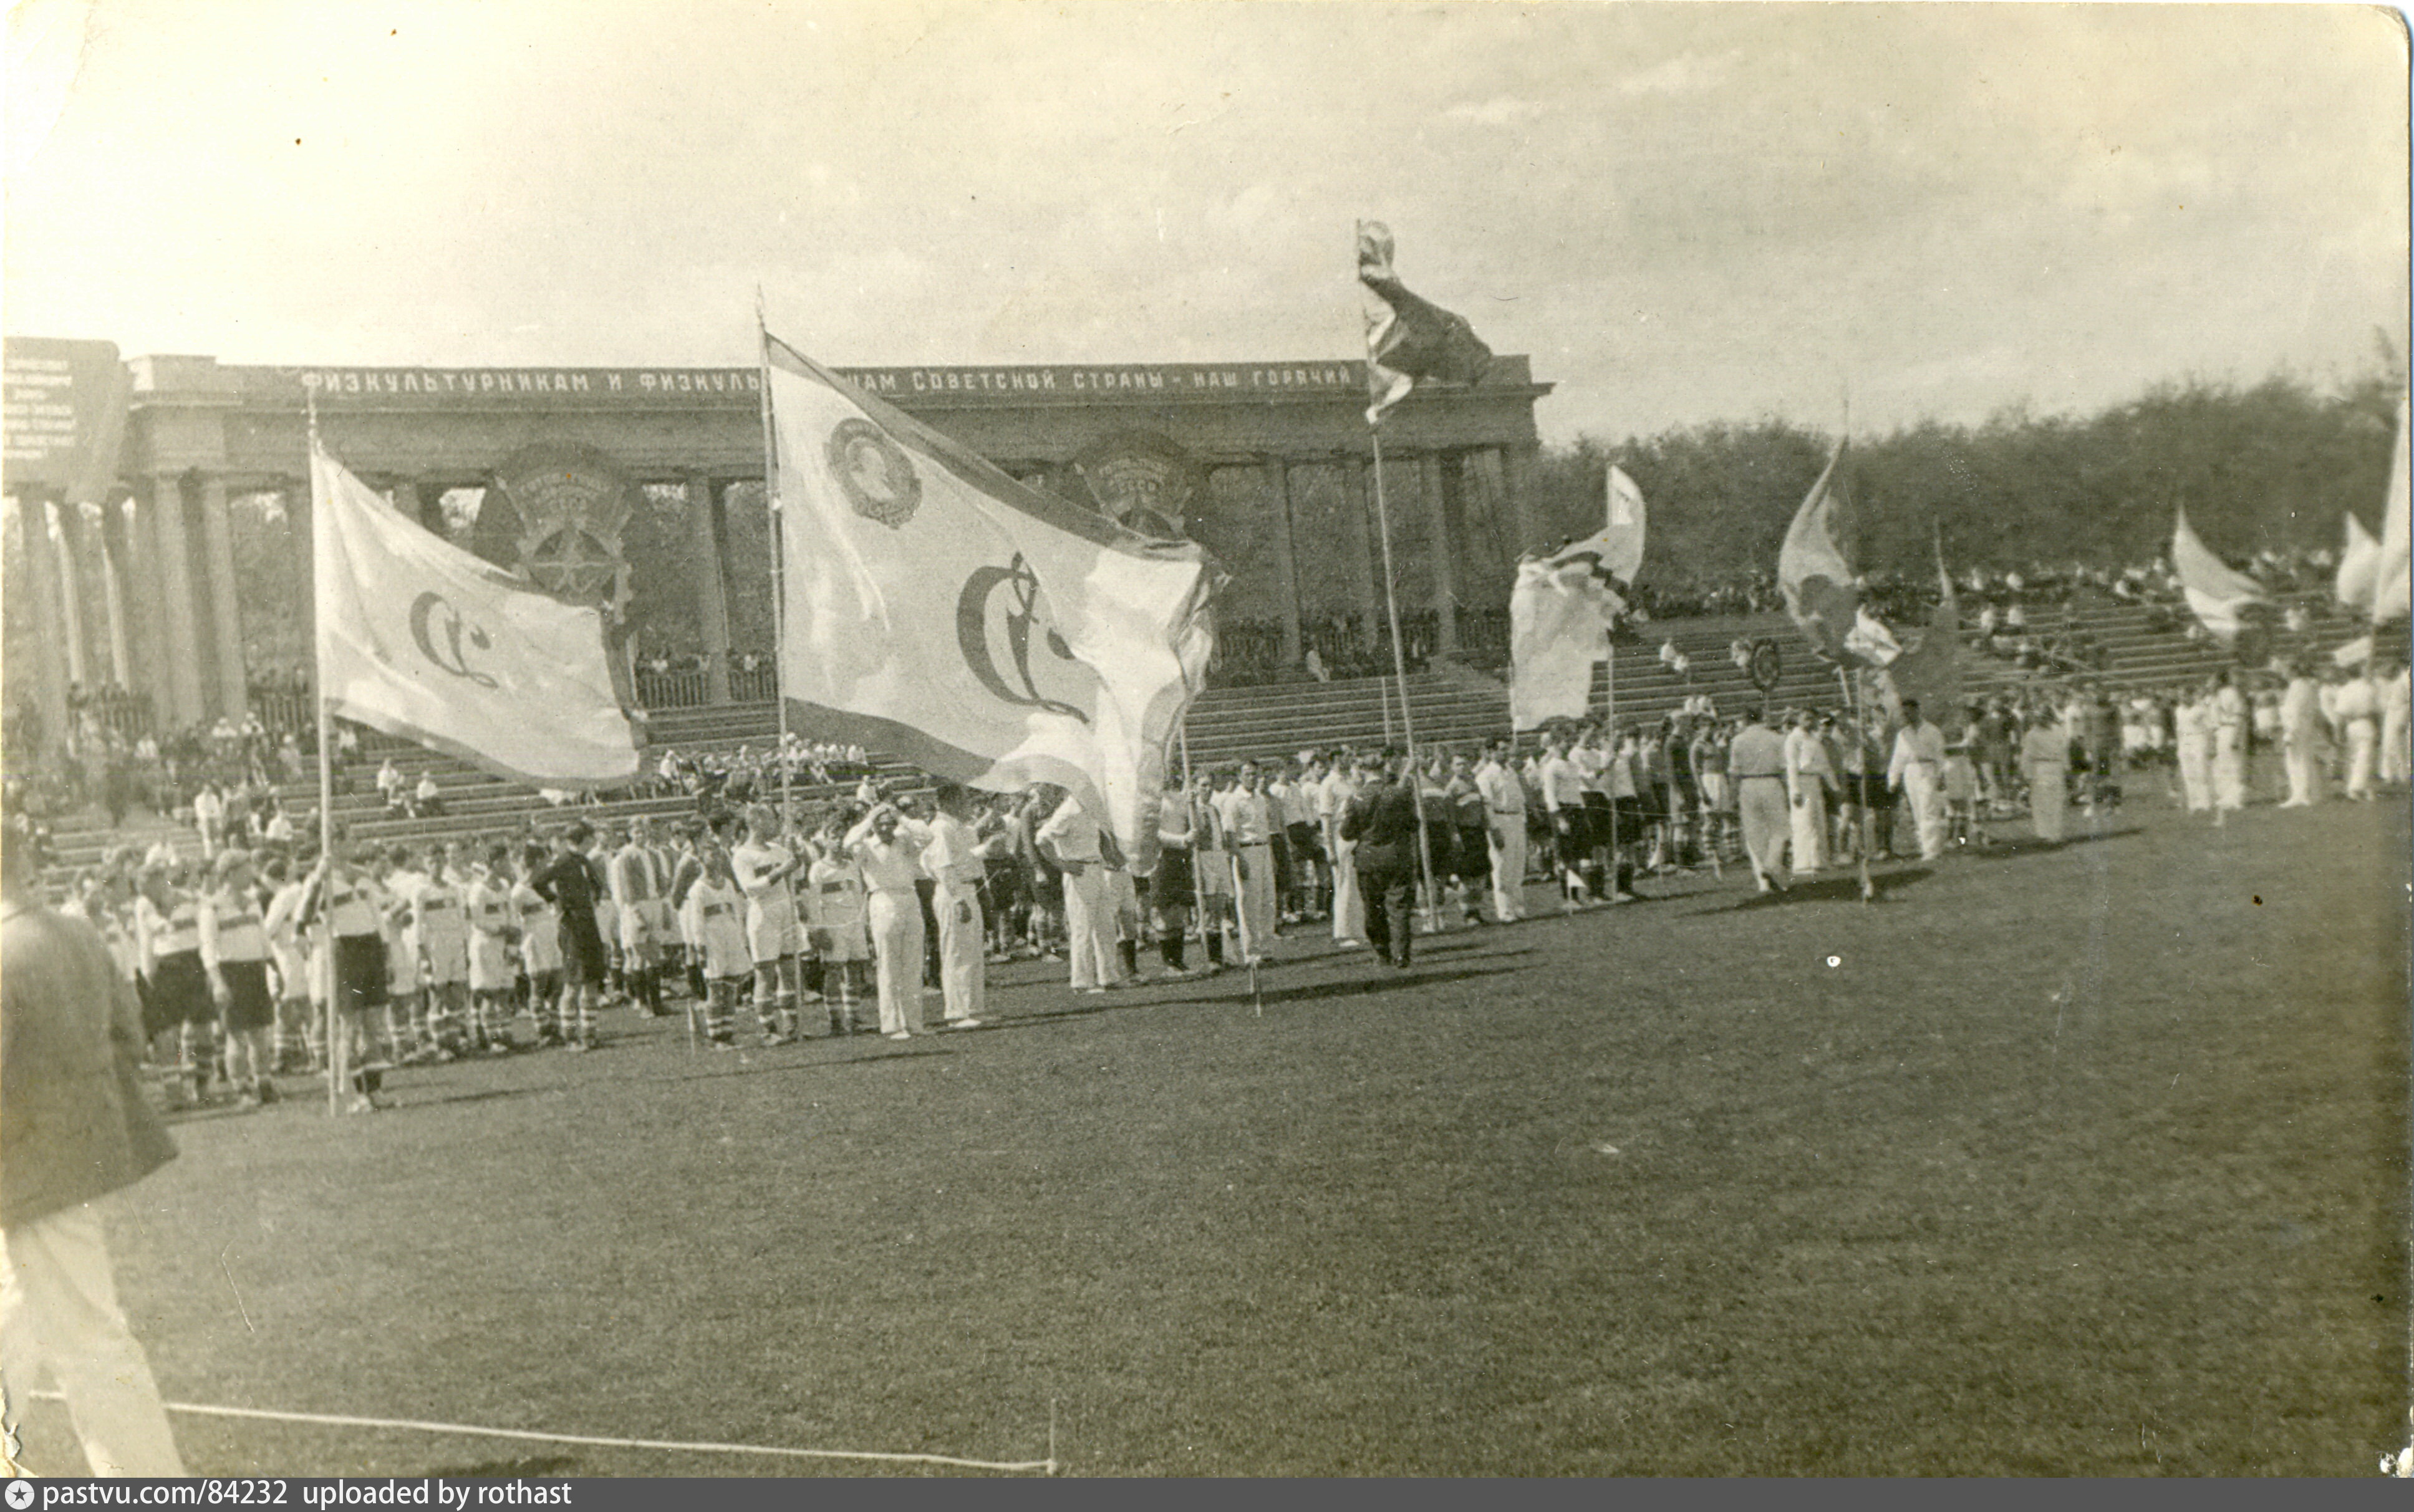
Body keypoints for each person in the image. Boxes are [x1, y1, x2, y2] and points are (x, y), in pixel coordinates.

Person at [0, 819, 188, 1476]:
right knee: (16, 1315)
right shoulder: (76, 932)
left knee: (88, 1339)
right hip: (75, 1158)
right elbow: (128, 1037)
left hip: (25, 1173)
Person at [917, 782, 996, 1029]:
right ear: (950, 802)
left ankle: (973, 1007)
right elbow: (944, 867)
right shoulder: (940, 828)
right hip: (954, 891)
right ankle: (957, 1012)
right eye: (963, 800)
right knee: (957, 952)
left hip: (967, 887)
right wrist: (958, 899)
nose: (968, 805)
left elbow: (965, 859)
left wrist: (986, 849)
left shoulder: (956, 827)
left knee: (971, 951)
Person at [1035, 786, 1126, 993]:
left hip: (1097, 869)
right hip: (1079, 872)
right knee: (1082, 929)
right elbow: (1042, 838)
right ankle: (1082, 983)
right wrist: (1062, 864)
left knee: (1106, 926)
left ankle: (1109, 977)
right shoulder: (1068, 811)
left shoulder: (1091, 809)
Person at [1340, 749, 1422, 969]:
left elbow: (1346, 833)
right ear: (1382, 769)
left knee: (1373, 908)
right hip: (1397, 855)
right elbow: (1414, 824)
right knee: (1399, 908)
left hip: (1368, 858)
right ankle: (1402, 954)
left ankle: (1381, 952)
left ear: (1363, 771)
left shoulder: (1356, 798)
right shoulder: (1398, 793)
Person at [1212, 760, 1280, 966]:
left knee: (1268, 900)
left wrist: (1272, 856)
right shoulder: (1234, 800)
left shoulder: (1260, 799)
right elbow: (1230, 832)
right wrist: (1238, 858)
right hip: (1246, 850)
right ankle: (1252, 952)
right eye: (1248, 774)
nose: (1252, 778)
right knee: (1250, 903)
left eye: (1255, 774)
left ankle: (1266, 949)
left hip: (1264, 849)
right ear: (1240, 777)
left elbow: (1266, 830)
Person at [1727, 706, 1791, 893]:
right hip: (1771, 782)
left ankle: (1764, 873)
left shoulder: (1738, 740)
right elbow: (1784, 767)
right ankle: (1771, 866)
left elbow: (1734, 771)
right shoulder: (1776, 738)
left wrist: (1733, 796)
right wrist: (1788, 789)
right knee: (1780, 829)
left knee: (1755, 833)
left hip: (1748, 785)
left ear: (1745, 720)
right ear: (1763, 718)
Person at [1474, 737, 1528, 923]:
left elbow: (1520, 799)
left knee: (1518, 865)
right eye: (1502, 750)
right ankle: (1505, 911)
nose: (1506, 753)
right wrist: (1495, 829)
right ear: (1491, 752)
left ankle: (1518, 908)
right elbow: (1487, 806)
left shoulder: (1511, 772)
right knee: (1503, 867)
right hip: (1500, 819)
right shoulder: (1486, 775)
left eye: (1507, 749)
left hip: (1516, 819)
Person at [1888, 698, 1950, 860]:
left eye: (1909, 712)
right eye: (1904, 713)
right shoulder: (1903, 734)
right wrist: (1894, 779)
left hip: (1928, 769)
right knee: (1917, 811)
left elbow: (1940, 754)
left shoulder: (1931, 731)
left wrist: (1941, 775)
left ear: (1917, 711)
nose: (1907, 716)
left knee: (1927, 809)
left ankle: (1932, 850)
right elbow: (1898, 758)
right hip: (1911, 771)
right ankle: (1925, 847)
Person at [1784, 709, 1835, 874]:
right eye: (1805, 718)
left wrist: (1834, 786)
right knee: (1804, 822)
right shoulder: (1793, 739)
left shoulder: (1814, 740)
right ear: (1798, 720)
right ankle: (1803, 864)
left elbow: (1825, 766)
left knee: (1818, 821)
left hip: (1815, 782)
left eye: (1812, 719)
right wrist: (1795, 790)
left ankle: (1819, 861)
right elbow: (1792, 765)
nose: (1809, 721)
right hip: (1802, 782)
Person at [2020, 699, 2071, 842]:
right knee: (2042, 800)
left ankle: (2053, 833)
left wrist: (2066, 768)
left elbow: (2064, 750)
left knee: (2054, 800)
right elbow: (2028, 755)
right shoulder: (2033, 734)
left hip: (2051, 767)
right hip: (2041, 767)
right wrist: (2027, 773)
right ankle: (2046, 833)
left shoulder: (2057, 731)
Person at [2277, 662, 2327, 807]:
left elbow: (2296, 711)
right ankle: (2305, 794)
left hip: (2297, 727)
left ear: (2293, 671)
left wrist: (2290, 733)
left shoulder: (2298, 687)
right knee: (2302, 759)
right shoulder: (2303, 686)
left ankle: (2301, 795)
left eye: (2285, 670)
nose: (2283, 674)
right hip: (2301, 726)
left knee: (2296, 760)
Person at [2209, 670, 2250, 819]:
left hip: (2232, 728)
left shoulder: (2232, 693)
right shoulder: (2216, 696)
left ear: (2220, 681)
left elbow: (2240, 714)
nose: (2210, 684)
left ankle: (2237, 798)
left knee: (2235, 764)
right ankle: (2227, 797)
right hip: (2221, 730)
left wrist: (2236, 736)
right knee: (2223, 765)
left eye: (2212, 680)